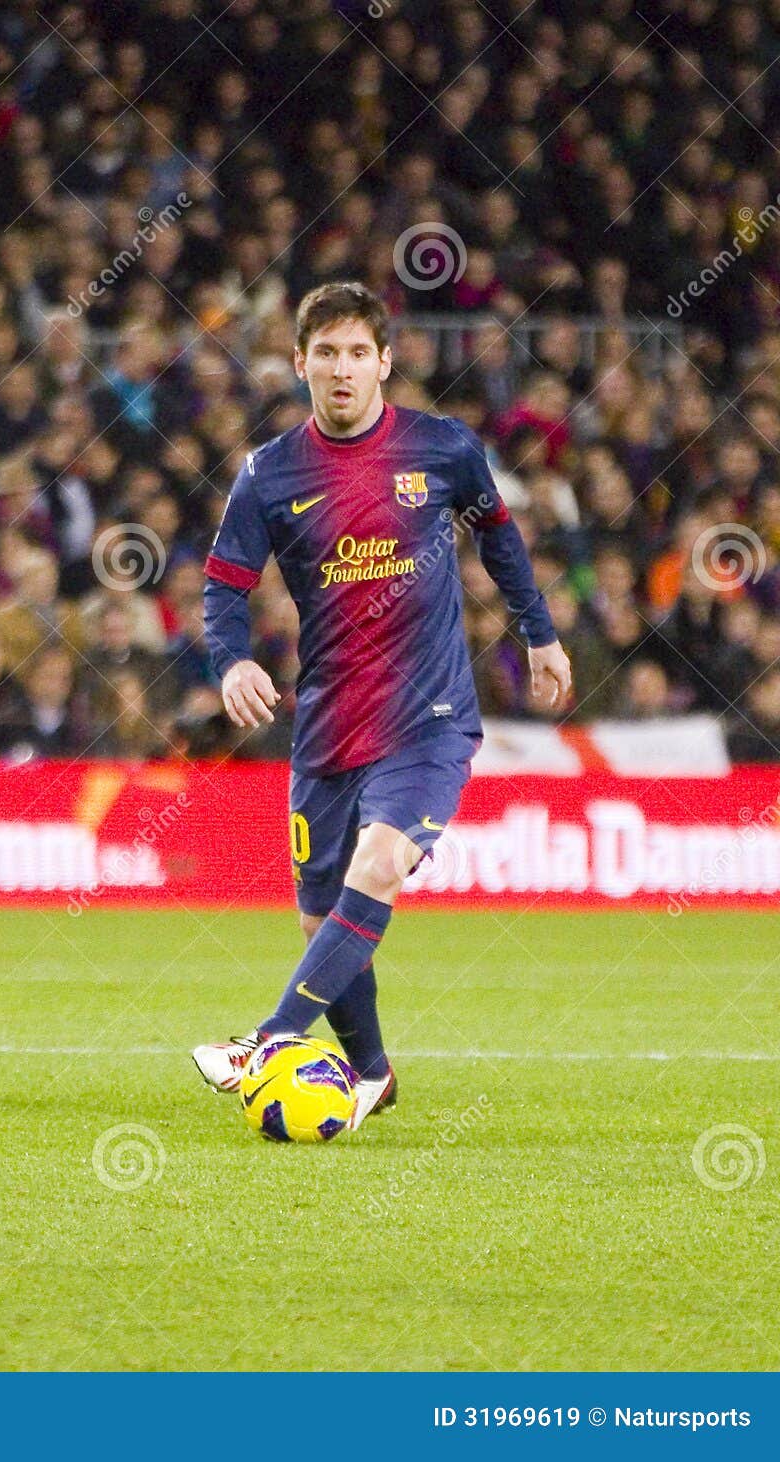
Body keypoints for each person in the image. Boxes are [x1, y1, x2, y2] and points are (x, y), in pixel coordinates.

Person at [191, 282, 572, 1128]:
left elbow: (499, 536)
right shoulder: (268, 474)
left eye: (358, 352)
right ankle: (371, 1072)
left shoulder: (441, 449)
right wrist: (230, 663)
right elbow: (224, 587)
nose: (341, 368)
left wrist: (538, 634)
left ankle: (270, 1039)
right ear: (299, 363)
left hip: (428, 716)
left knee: (380, 865)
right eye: (324, 352)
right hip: (328, 722)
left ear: (386, 363)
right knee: (318, 918)